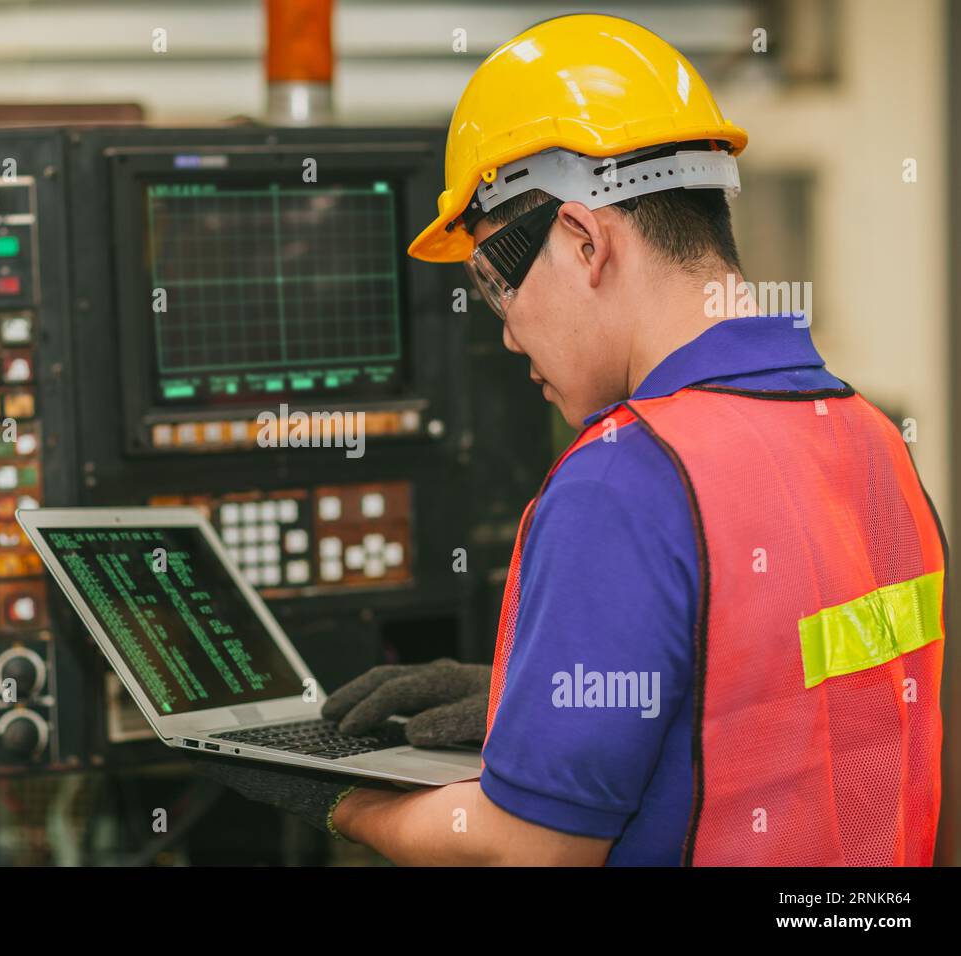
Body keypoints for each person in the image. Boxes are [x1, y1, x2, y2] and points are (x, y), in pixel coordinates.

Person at [197, 13, 946, 866]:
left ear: (585, 242)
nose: (509, 337)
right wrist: (554, 705)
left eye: (492, 285)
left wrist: (341, 799)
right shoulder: (874, 442)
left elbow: (529, 851)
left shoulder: (625, 479)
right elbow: (793, 702)